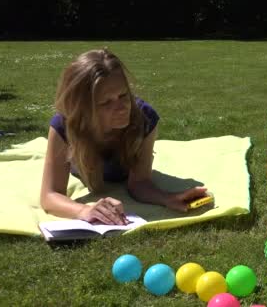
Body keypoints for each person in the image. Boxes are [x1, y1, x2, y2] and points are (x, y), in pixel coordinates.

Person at [40, 49, 208, 225]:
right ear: (83, 108)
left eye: (123, 95)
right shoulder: (66, 125)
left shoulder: (144, 118)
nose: (121, 108)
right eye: (106, 102)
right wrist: (84, 210)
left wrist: (168, 198)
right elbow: (50, 195)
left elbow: (140, 182)